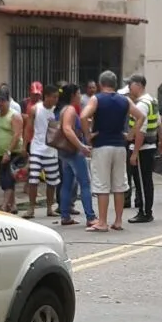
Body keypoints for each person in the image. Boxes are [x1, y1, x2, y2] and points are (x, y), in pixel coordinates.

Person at [81, 70, 144, 232]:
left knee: (102, 185)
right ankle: (118, 221)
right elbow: (140, 116)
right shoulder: (125, 100)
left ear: (101, 84)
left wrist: (88, 135)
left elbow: (83, 116)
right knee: (119, 184)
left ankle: (102, 222)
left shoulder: (96, 99)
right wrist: (130, 134)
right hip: (119, 146)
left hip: (102, 145)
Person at [55, 83, 98, 229]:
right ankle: (91, 217)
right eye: (78, 93)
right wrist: (81, 146)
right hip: (73, 152)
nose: (80, 97)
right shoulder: (70, 110)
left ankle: (65, 215)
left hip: (65, 152)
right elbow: (67, 129)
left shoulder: (63, 109)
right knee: (84, 183)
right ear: (73, 95)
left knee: (67, 182)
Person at [125, 73, 162, 223]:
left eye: (131, 85)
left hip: (142, 148)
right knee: (147, 180)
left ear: (139, 86)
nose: (129, 88)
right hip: (150, 145)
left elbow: (141, 129)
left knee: (141, 182)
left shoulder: (141, 104)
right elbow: (159, 122)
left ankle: (145, 212)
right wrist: (161, 141)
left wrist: (134, 153)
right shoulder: (152, 100)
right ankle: (146, 210)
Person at [23, 82, 61, 218]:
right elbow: (28, 128)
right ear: (46, 97)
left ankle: (49, 207)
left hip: (52, 150)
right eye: (54, 97)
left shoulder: (57, 111)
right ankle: (31, 208)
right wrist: (24, 147)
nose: (56, 100)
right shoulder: (35, 109)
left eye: (57, 97)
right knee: (33, 179)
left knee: (52, 181)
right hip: (37, 148)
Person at [0, 87, 24, 214]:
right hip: (0, 152)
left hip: (12, 152)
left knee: (8, 179)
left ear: (8, 101)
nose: (0, 104)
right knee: (4, 179)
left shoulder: (14, 116)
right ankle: (13, 204)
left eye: (3, 101)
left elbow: (16, 135)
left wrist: (8, 152)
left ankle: (4, 206)